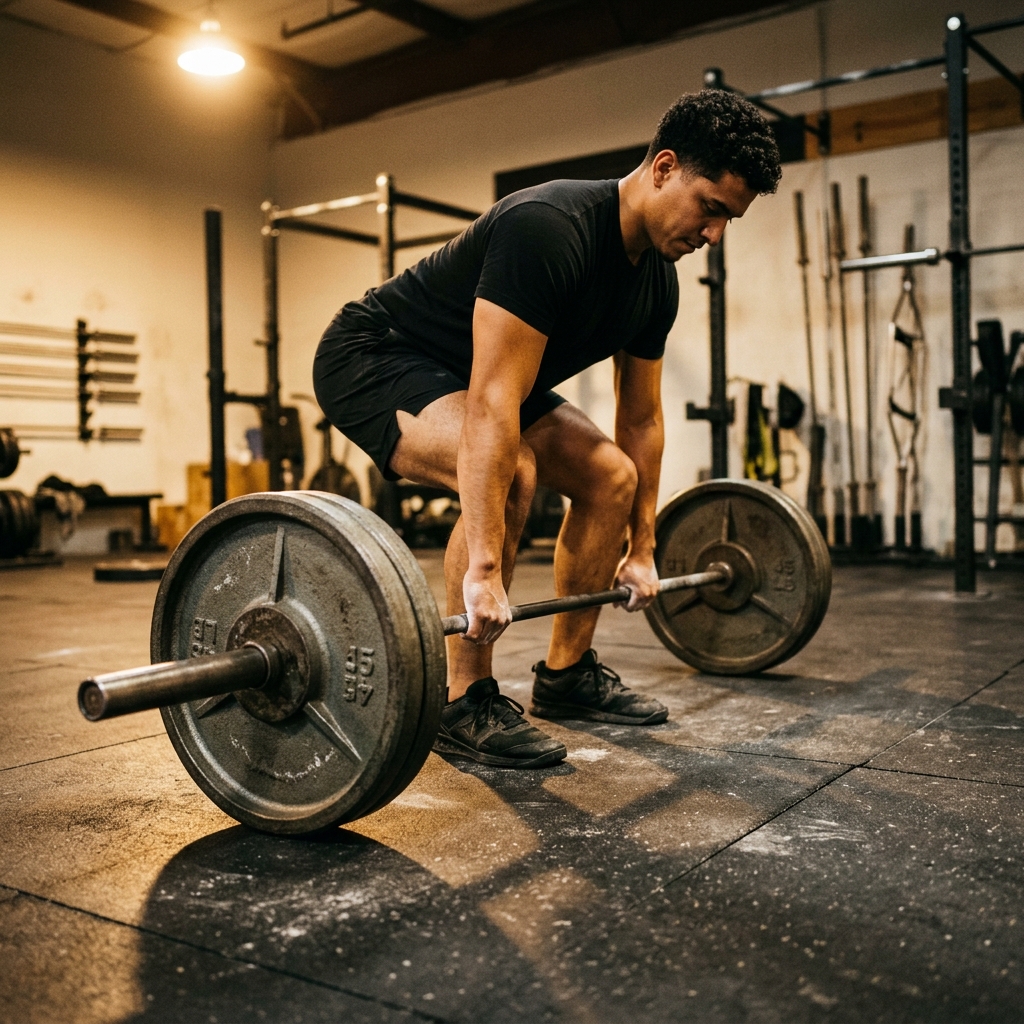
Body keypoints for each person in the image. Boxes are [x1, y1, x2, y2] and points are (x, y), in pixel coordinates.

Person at [314, 89, 782, 768]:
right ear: (664, 168)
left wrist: (643, 545)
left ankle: (566, 675)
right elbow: (492, 404)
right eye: (710, 208)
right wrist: (483, 571)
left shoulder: (658, 282)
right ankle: (461, 697)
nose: (713, 236)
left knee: (610, 476)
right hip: (374, 356)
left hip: (475, 375)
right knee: (513, 472)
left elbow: (641, 418)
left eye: (728, 220)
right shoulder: (549, 228)